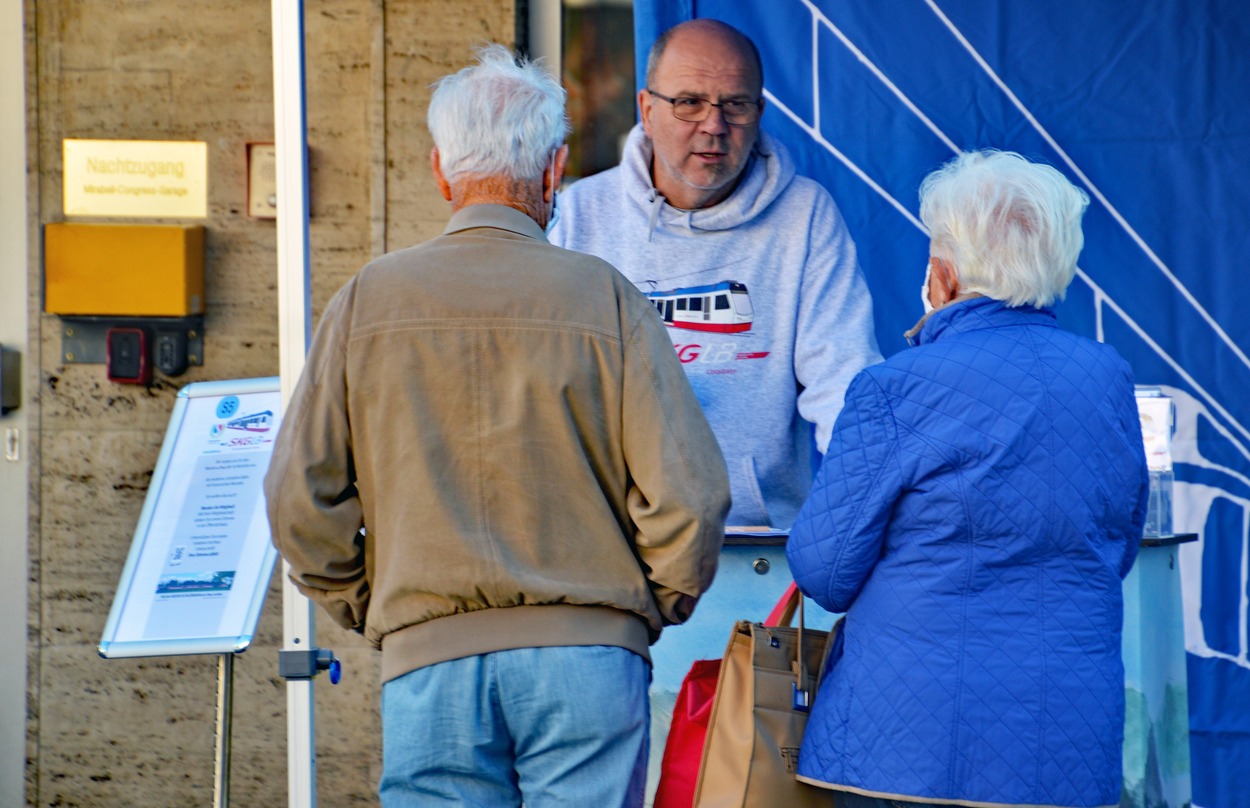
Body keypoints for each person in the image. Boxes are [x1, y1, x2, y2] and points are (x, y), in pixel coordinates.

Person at [264, 44, 730, 808]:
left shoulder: (366, 301)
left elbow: (296, 499)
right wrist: (646, 604)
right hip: (589, 658)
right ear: (554, 171)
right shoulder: (605, 298)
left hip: (430, 661)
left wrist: (374, 601)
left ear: (441, 170)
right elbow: (693, 494)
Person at [786, 150, 1149, 808]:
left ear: (943, 273)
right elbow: (1116, 546)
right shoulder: (1107, 379)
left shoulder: (894, 387)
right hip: (1063, 748)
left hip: (899, 750)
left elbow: (824, 570)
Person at [550, 18, 881, 531]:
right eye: (689, 102)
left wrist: (861, 519)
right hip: (607, 543)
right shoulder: (577, 216)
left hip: (751, 544)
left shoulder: (806, 217)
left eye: (736, 104)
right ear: (647, 108)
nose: (714, 125)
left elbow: (843, 386)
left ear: (760, 111)